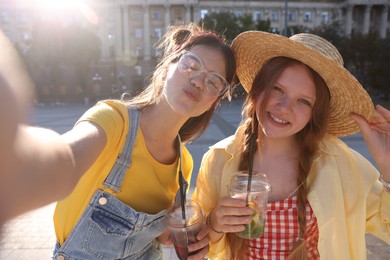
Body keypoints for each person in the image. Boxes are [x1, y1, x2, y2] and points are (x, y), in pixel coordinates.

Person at [192, 31, 390, 259]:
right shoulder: (218, 159)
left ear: (315, 113)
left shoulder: (340, 163)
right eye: (278, 89)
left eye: (303, 101)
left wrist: (387, 166)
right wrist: (214, 224)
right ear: (259, 88)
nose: (284, 107)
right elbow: (198, 243)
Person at [51, 23, 236, 260]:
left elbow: (154, 233)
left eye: (214, 82)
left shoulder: (184, 164)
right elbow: (60, 158)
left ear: (214, 102)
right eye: (191, 66)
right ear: (168, 66)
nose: (199, 81)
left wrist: (169, 234)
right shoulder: (114, 121)